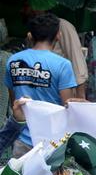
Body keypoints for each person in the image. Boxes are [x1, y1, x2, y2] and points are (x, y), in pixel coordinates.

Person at [5, 13, 77, 158]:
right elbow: (67, 106)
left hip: (21, 140)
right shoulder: (63, 65)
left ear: (30, 35)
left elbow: (14, 101)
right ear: (58, 35)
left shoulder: (13, 60)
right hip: (52, 142)